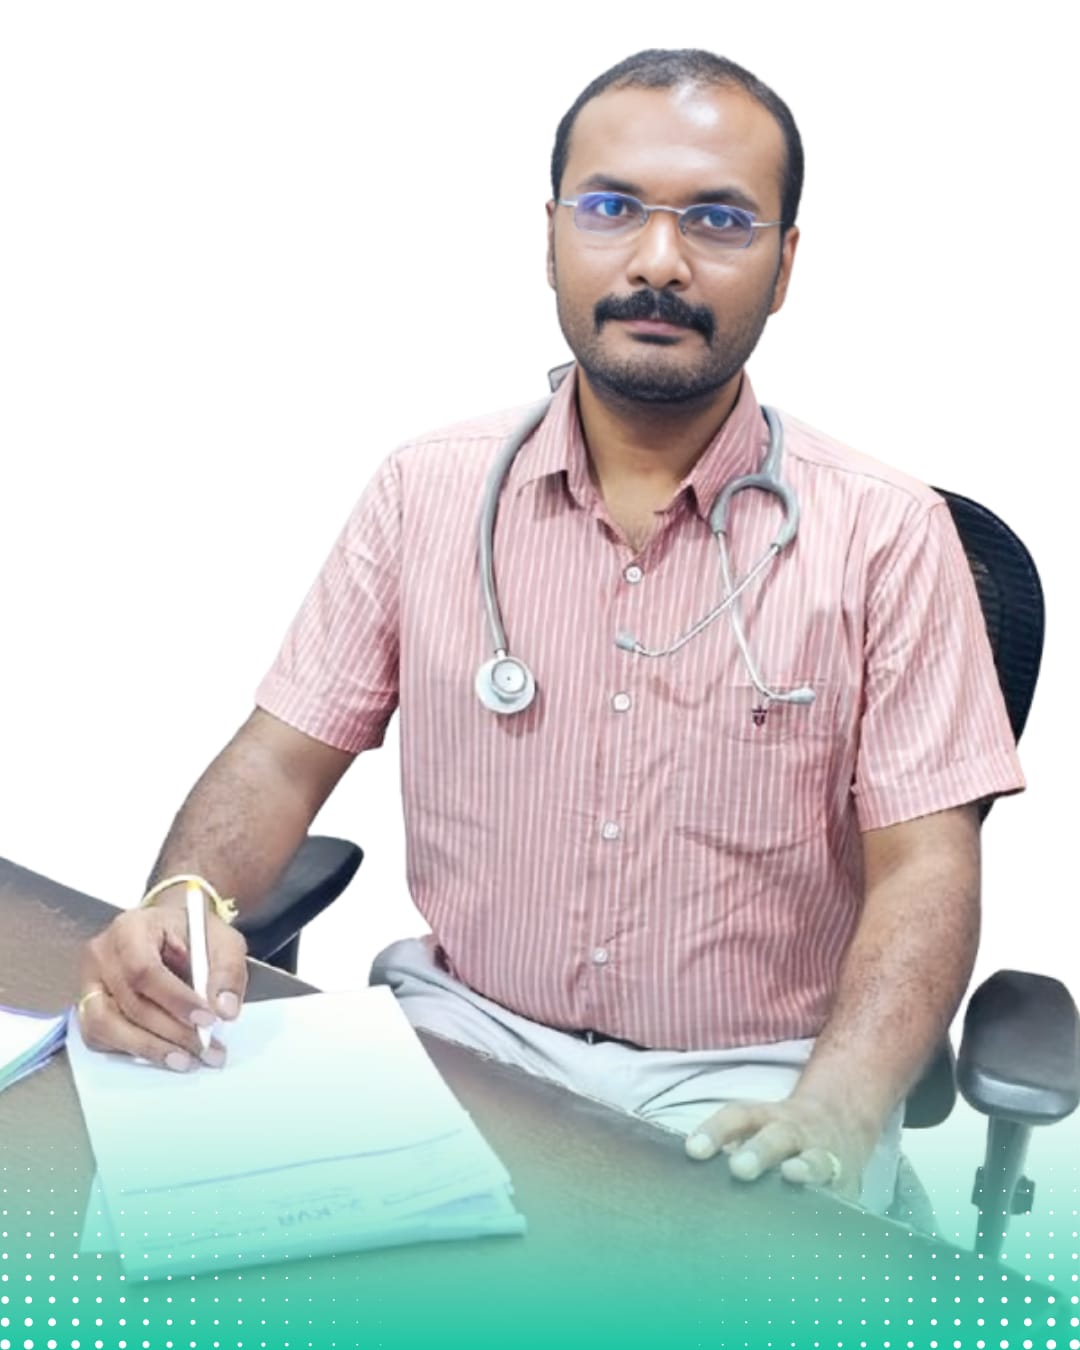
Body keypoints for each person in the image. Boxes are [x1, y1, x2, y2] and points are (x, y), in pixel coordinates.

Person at [75, 48, 1024, 1217]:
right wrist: (180, 906)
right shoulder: (425, 493)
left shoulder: (889, 534)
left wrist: (842, 1101)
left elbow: (927, 866)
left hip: (754, 1077)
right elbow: (278, 758)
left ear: (784, 265)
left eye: (719, 220)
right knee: (187, 1227)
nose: (659, 261)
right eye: (612, 208)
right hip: (463, 1039)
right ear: (552, 237)